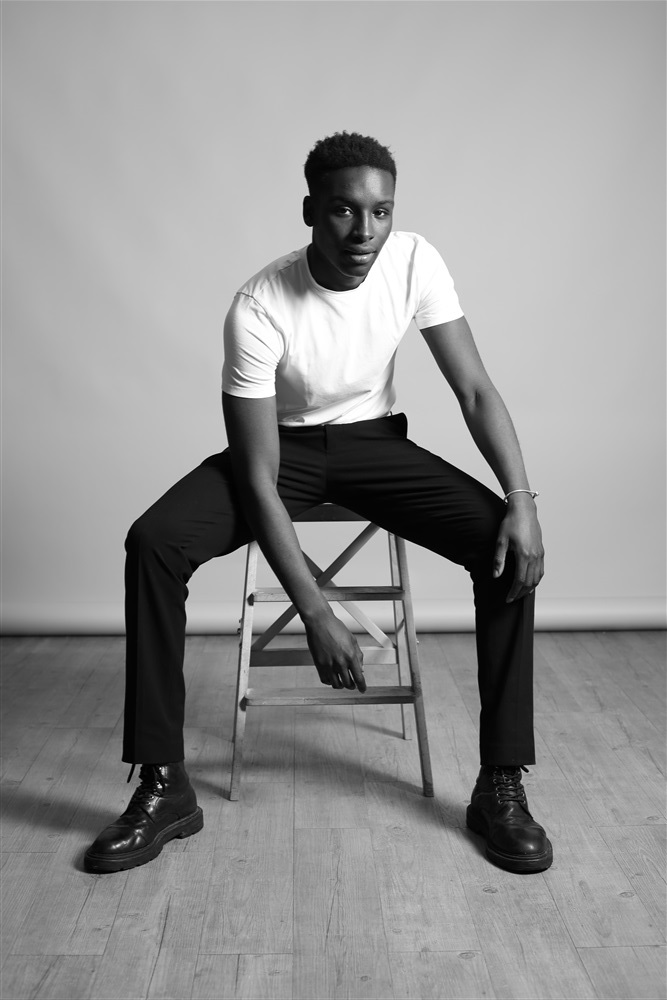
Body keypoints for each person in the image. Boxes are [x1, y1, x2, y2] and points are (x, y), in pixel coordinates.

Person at [84, 132, 551, 876]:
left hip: (375, 444)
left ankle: (500, 783)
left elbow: (473, 390)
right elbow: (257, 476)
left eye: (380, 212)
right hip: (282, 451)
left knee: (506, 542)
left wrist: (521, 500)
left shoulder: (414, 261)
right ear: (310, 211)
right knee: (155, 540)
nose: (364, 231)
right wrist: (315, 609)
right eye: (343, 210)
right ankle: (163, 783)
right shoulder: (259, 305)